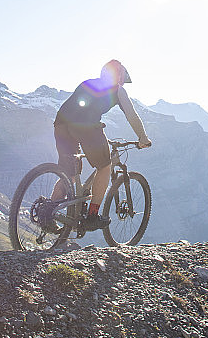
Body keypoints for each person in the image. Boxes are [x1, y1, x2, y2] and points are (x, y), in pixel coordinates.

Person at [51, 60, 151, 231]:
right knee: (105, 166)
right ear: (119, 76)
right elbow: (131, 115)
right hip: (86, 126)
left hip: (61, 125)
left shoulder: (88, 83)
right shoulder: (118, 90)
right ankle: (92, 216)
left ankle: (48, 213)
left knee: (70, 175)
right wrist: (142, 138)